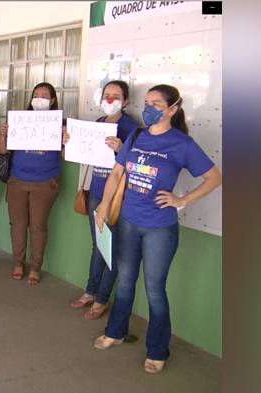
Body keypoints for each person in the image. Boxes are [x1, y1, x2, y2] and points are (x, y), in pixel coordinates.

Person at [92, 84, 221, 374]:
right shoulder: (137, 135)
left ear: (173, 109)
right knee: (124, 280)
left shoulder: (181, 143)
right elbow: (117, 173)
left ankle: (158, 349)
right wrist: (103, 205)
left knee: (154, 289)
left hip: (159, 229)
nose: (149, 109)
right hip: (127, 221)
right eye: (146, 103)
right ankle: (116, 331)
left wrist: (182, 199)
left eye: (156, 104)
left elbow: (214, 177)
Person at [66, 80, 139, 319]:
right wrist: (70, 142)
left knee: (110, 248)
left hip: (118, 196)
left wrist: (120, 148)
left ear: (126, 101)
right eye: (107, 95)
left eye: (116, 96)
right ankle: (90, 290)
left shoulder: (131, 127)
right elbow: (83, 152)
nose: (110, 100)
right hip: (96, 189)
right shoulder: (97, 124)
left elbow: (136, 164)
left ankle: (102, 298)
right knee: (98, 244)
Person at [0, 82, 65, 285]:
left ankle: (35, 267)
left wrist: (65, 139)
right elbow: (2, 151)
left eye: (44, 95)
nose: (39, 98)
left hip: (45, 182)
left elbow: (65, 154)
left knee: (38, 226)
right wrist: (3, 134)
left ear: (52, 100)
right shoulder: (19, 120)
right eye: (36, 95)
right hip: (17, 180)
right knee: (17, 225)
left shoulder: (60, 123)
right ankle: (18, 263)